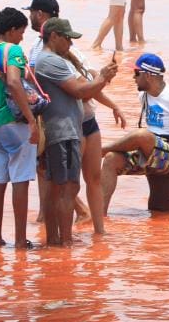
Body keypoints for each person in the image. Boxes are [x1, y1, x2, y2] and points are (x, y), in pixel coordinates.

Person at [33, 18, 120, 246]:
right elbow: (80, 91)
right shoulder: (51, 61)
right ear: (53, 36)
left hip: (63, 130)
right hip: (63, 131)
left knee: (60, 187)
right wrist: (102, 78)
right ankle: (64, 242)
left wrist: (101, 80)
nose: (70, 43)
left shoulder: (49, 60)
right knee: (68, 187)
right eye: (67, 38)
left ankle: (56, 239)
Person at [98, 53, 169, 216]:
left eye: (137, 73)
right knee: (111, 159)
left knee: (142, 135)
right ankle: (99, 215)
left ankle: (100, 150)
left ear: (148, 75)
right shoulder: (143, 95)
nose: (133, 77)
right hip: (151, 154)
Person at [0, 7, 40, 248]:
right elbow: (15, 82)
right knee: (20, 179)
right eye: (21, 32)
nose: (22, 38)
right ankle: (19, 240)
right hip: (14, 121)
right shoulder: (12, 50)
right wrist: (32, 119)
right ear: (11, 30)